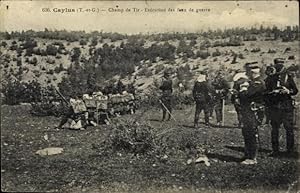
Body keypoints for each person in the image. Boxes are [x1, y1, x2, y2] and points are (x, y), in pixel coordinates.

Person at [265, 58, 298, 157]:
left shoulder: (288, 76)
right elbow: (265, 92)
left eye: (281, 64)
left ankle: (290, 150)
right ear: (274, 65)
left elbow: (295, 90)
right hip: (275, 107)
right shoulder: (270, 77)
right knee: (275, 129)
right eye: (277, 64)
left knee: (289, 129)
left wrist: (288, 91)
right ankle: (275, 150)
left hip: (287, 107)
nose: (279, 66)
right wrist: (272, 92)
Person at [238, 62, 265, 165]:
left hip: (253, 111)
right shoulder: (252, 82)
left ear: (252, 72)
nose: (246, 73)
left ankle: (252, 157)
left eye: (248, 72)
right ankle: (248, 154)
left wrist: (243, 90)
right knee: (246, 132)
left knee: (251, 133)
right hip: (248, 110)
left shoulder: (257, 83)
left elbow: (247, 95)